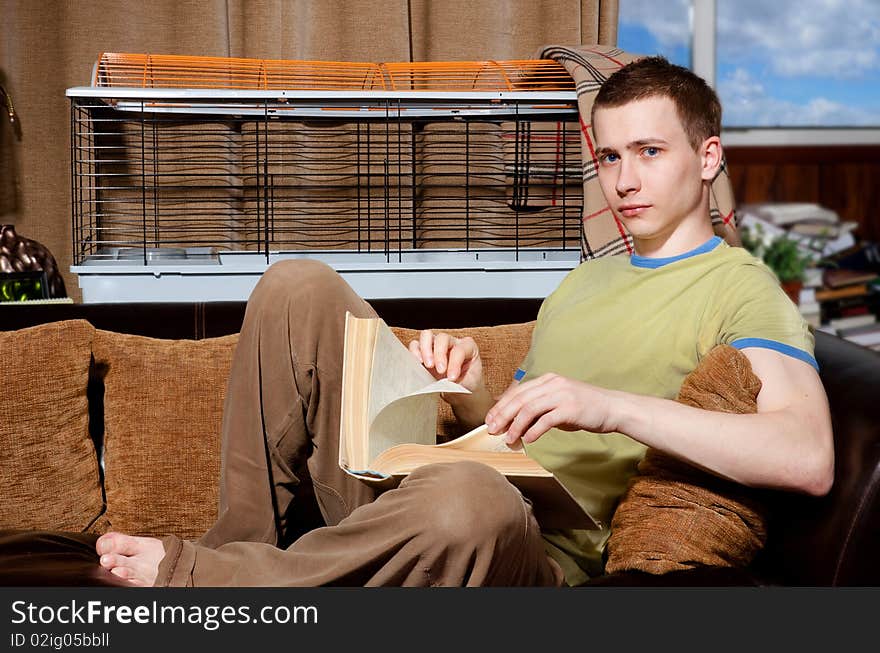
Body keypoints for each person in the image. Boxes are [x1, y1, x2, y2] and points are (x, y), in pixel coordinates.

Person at [95, 56, 834, 587]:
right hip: (439, 497)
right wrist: (471, 390)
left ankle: (208, 578)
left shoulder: (741, 287)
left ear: (708, 158)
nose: (625, 180)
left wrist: (612, 408)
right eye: (609, 155)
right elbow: (509, 433)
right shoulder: (584, 281)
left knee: (471, 495)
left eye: (649, 151)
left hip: (527, 548)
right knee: (297, 284)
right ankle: (241, 559)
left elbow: (807, 455)